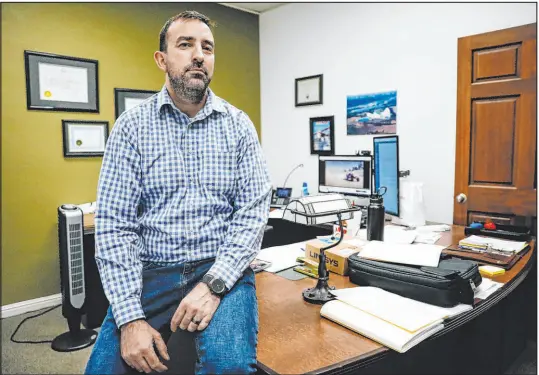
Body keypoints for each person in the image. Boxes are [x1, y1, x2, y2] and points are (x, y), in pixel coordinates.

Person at [85, 10, 272, 375]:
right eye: (185, 45)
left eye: (207, 47)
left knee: (228, 365)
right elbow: (114, 227)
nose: (198, 55)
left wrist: (214, 284)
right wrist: (129, 319)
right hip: (152, 273)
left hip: (221, 268)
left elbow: (251, 215)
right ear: (162, 59)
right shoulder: (131, 128)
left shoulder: (238, 126)